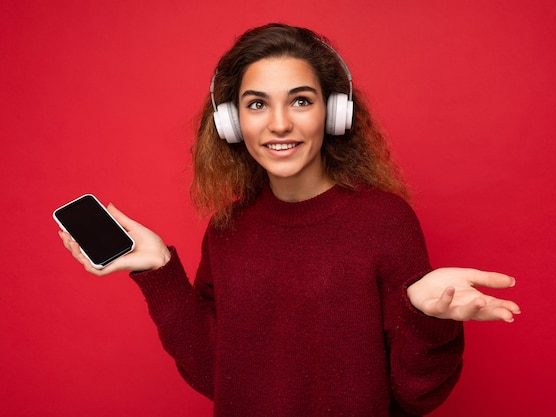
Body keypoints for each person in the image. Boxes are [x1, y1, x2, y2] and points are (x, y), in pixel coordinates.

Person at [59, 23, 520, 417]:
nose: (279, 124)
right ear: (232, 123)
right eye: (257, 104)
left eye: (300, 101)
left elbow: (416, 397)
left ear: (335, 114)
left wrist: (425, 317)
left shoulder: (384, 221)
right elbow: (216, 376)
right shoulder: (227, 230)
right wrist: (157, 269)